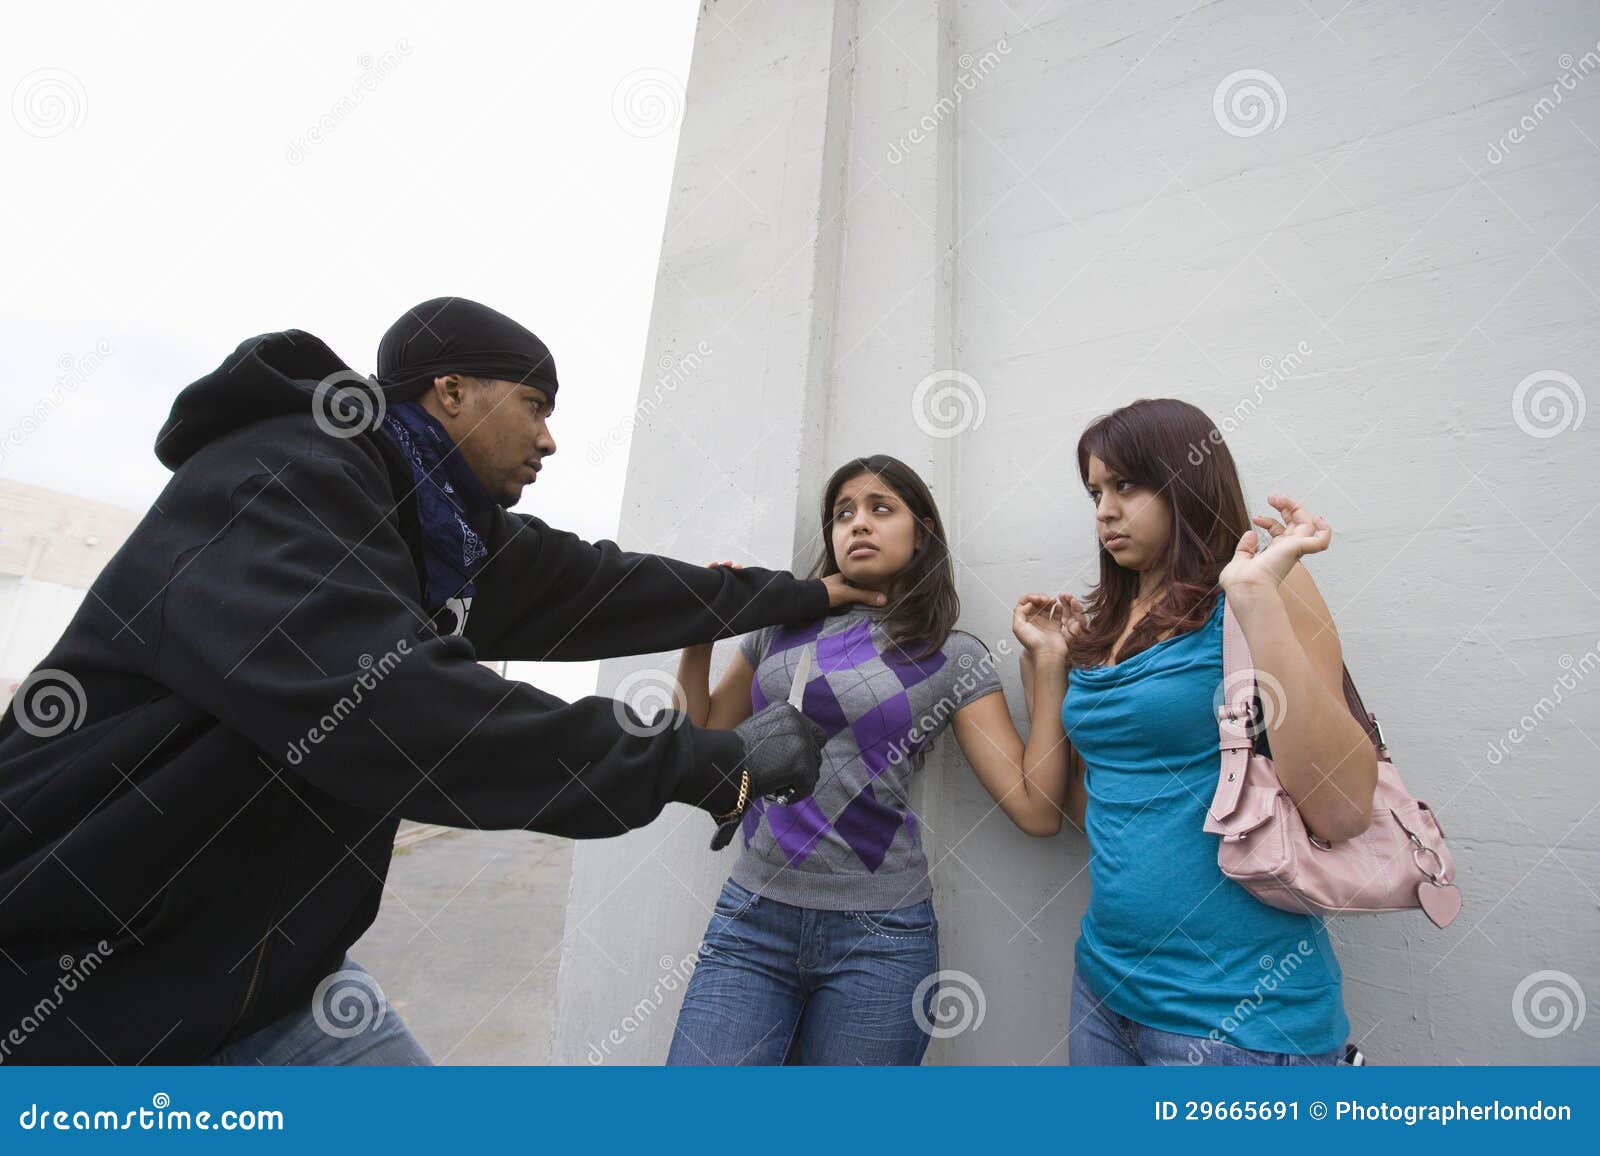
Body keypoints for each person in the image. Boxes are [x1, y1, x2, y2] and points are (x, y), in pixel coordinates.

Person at [0, 297, 881, 1064]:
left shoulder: (442, 531)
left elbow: (605, 586)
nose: (550, 438)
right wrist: (705, 762)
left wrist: (805, 594)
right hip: (76, 988)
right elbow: (396, 708)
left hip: (265, 985)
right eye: (535, 405)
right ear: (451, 390)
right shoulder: (280, 480)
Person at [665, 455, 1074, 1065]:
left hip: (879, 939)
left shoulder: (952, 655)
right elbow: (694, 743)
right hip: (752, 921)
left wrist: (1050, 663)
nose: (858, 523)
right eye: (843, 513)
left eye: (881, 509)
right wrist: (698, 635)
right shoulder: (775, 632)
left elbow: (1036, 809)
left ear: (922, 533)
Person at [1033, 398, 1375, 1065]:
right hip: (1105, 987)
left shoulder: (1264, 588)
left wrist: (1256, 601)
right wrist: (1048, 662)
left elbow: (1343, 809)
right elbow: (1099, 808)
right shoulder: (1110, 622)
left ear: (1186, 482)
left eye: (1126, 486)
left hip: (1237, 1017)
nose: (1104, 511)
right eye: (1095, 492)